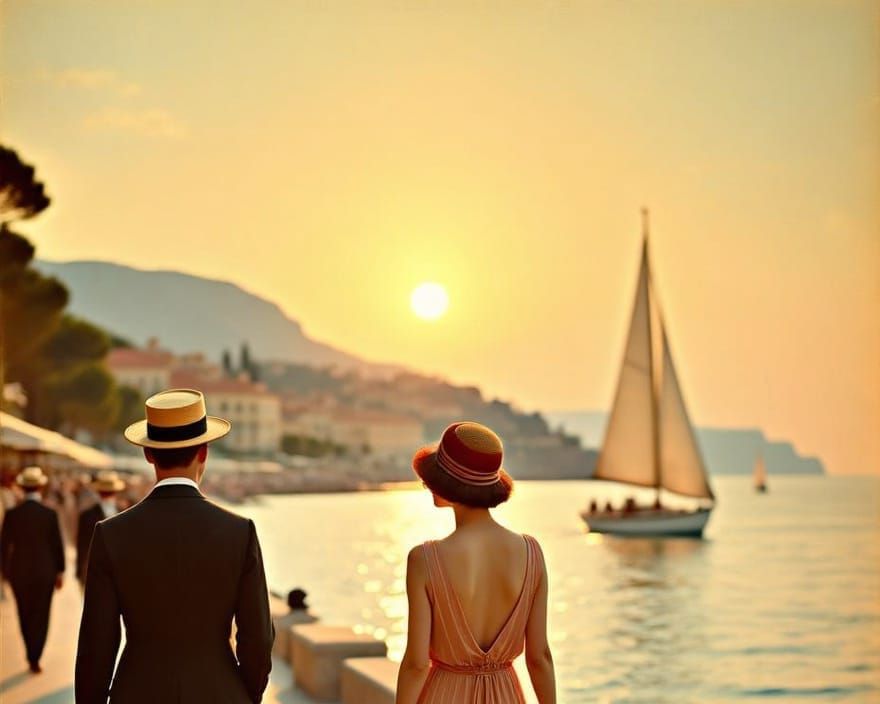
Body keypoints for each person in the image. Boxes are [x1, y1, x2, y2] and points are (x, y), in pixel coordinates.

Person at [75, 389, 274, 704]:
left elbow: (96, 644)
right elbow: (259, 637)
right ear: (204, 452)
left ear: (148, 454)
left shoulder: (110, 534)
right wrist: (245, 694)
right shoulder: (239, 532)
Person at [396, 422, 556, 704]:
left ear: (445, 482)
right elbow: (539, 656)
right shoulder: (531, 552)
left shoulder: (424, 560)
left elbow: (417, 664)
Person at [0, 466, 65, 674]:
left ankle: (30, 652)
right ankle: (35, 655)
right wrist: (60, 571)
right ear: (40, 486)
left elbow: (3, 545)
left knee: (24, 613)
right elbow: (57, 545)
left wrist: (4, 571)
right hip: (45, 571)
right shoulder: (49, 514)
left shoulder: (12, 514)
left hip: (19, 571)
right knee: (41, 614)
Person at [75, 470, 125, 592]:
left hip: (96, 571)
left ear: (98, 491)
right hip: (118, 571)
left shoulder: (86, 515)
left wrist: (79, 571)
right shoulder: (127, 512)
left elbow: (82, 545)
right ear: (116, 491)